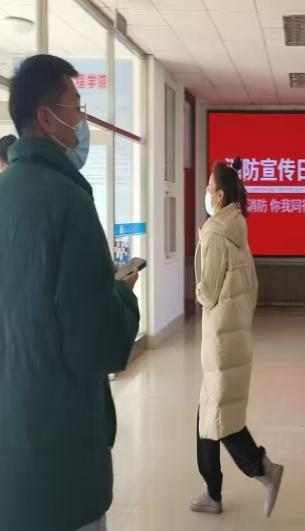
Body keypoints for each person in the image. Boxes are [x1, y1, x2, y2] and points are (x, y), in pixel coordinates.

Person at [0, 55, 140, 531]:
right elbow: (101, 342)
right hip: (59, 458)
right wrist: (123, 295)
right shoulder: (69, 203)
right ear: (46, 118)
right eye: (76, 108)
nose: (81, 121)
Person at [191, 157, 284, 517]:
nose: (206, 192)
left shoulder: (215, 233)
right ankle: (213, 491)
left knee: (222, 419)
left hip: (221, 339)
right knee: (209, 414)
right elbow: (252, 287)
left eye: (209, 188)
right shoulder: (238, 228)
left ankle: (264, 469)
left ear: (219, 195)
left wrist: (198, 286)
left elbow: (208, 293)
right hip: (235, 334)